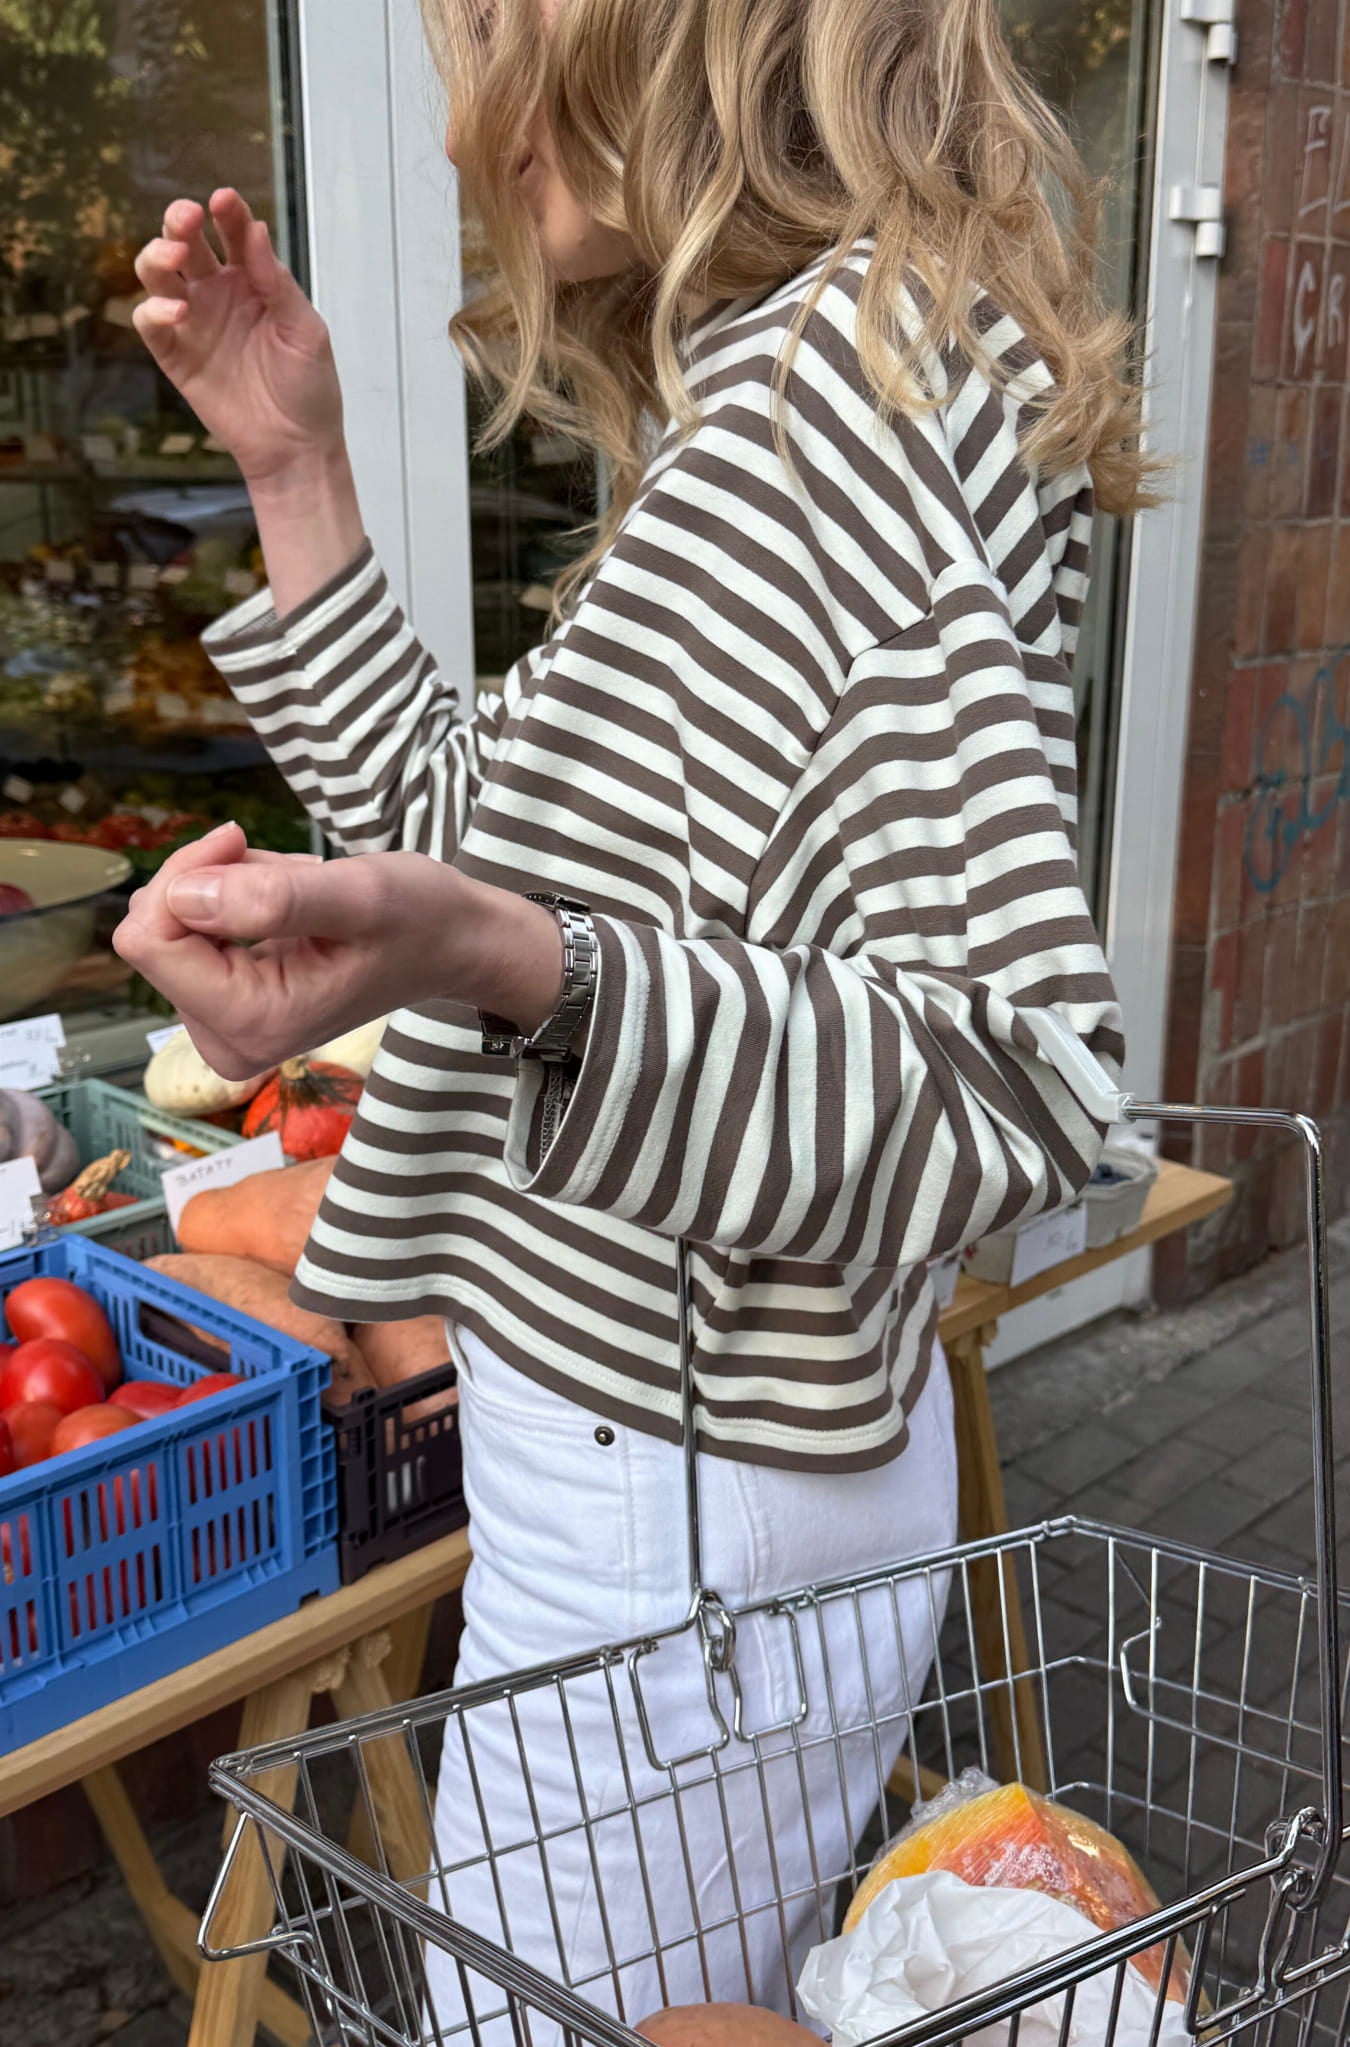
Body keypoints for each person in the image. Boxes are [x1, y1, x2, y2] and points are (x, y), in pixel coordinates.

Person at [118, 0, 1135, 2036]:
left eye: (494, 20)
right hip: (697, 1472)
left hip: (676, 1488)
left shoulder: (836, 404)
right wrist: (294, 470)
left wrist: (526, 970)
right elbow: (494, 857)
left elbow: (1014, 1076)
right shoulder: (819, 380)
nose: (461, 120)